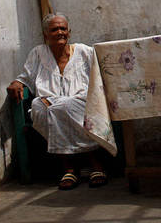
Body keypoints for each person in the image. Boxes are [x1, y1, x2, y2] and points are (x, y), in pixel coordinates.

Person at [7, 13, 107, 189]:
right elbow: (26, 76)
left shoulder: (84, 51)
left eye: (63, 28)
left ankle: (80, 165)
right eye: (54, 29)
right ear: (46, 34)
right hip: (49, 102)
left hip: (79, 101)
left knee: (65, 107)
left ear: (69, 32)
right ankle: (79, 164)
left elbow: (101, 74)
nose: (60, 32)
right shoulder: (38, 53)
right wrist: (17, 82)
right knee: (40, 107)